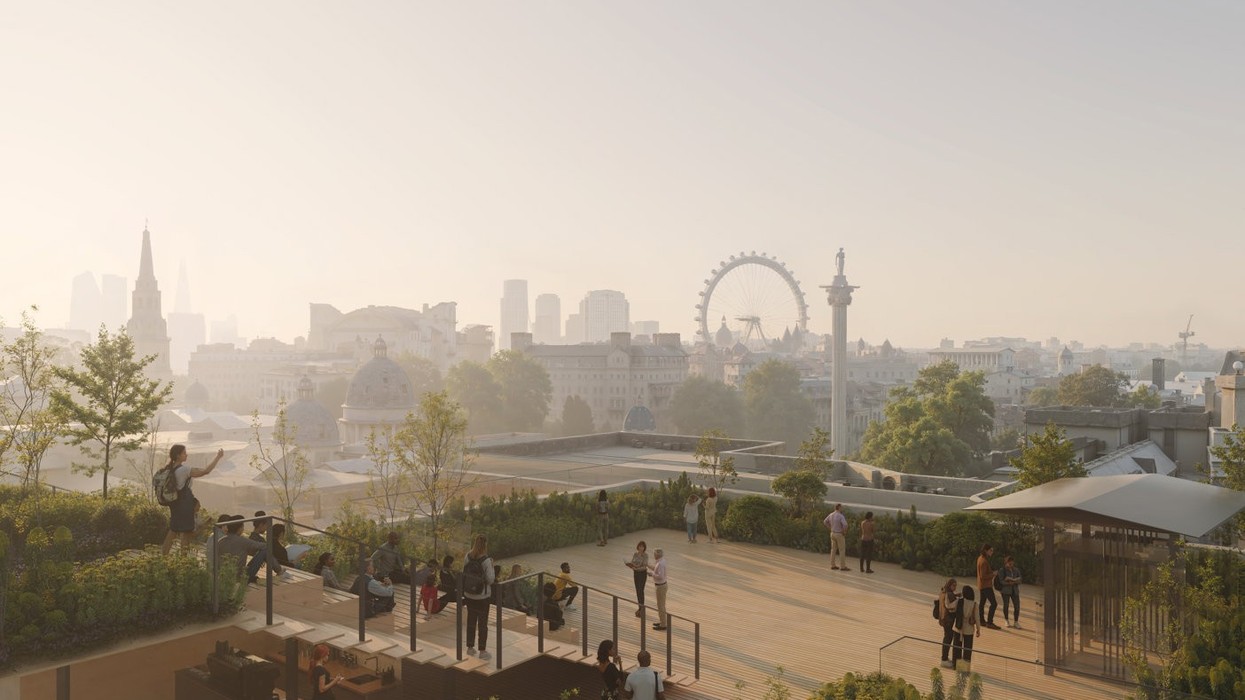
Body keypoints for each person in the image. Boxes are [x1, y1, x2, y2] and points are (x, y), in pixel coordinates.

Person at [160, 445, 224, 554]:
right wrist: (218, 457)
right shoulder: (184, 470)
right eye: (184, 453)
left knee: (173, 530)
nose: (187, 454)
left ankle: (163, 557)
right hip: (184, 504)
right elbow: (205, 471)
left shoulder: (168, 468)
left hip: (174, 503)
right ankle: (184, 562)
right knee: (186, 533)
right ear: (178, 455)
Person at [216, 515, 286, 584]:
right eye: (242, 527)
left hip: (223, 576)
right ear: (239, 528)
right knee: (264, 551)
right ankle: (279, 570)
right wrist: (260, 556)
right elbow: (265, 546)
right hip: (240, 578)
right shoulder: (242, 541)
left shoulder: (220, 541)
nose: (243, 529)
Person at [462, 534, 496, 660]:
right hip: (482, 597)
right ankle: (482, 651)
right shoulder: (487, 560)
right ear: (485, 545)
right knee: (482, 623)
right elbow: (490, 580)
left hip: (469, 594)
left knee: (471, 621)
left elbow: (464, 572)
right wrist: (492, 566)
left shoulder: (468, 556)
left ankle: (470, 648)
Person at [951, 585, 981, 672]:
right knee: (967, 649)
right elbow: (977, 617)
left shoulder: (959, 601)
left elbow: (950, 607)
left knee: (957, 647)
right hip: (969, 629)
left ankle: (955, 666)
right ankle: (964, 668)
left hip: (958, 627)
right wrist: (978, 630)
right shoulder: (974, 604)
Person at [976, 544, 1000, 629]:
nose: (992, 552)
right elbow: (983, 576)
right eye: (991, 550)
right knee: (994, 604)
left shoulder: (980, 558)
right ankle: (989, 622)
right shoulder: (983, 561)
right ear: (986, 550)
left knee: (982, 603)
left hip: (982, 585)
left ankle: (981, 621)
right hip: (986, 586)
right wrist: (993, 574)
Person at [938, 578, 959, 669]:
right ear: (949, 585)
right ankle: (944, 659)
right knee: (948, 638)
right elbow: (949, 606)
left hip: (943, 618)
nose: (955, 587)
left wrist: (955, 595)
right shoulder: (948, 594)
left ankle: (945, 658)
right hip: (948, 620)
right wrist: (958, 600)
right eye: (953, 585)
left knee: (947, 637)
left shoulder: (943, 592)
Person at [624, 541, 649, 618]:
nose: (641, 548)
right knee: (637, 591)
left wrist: (637, 568)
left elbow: (645, 566)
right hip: (636, 574)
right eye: (640, 546)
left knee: (641, 590)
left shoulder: (645, 555)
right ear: (638, 547)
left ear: (644, 548)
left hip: (642, 574)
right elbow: (632, 562)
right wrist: (631, 565)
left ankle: (642, 609)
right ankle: (640, 608)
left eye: (642, 547)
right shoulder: (635, 554)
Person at [1000, 555, 1022, 629]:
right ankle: (1006, 620)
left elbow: (1020, 580)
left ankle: (1016, 622)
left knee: (1017, 606)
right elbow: (1001, 581)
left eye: (1012, 563)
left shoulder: (1016, 570)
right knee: (1006, 605)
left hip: (1015, 590)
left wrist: (1015, 581)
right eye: (1009, 564)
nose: (1011, 565)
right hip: (1005, 591)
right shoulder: (1002, 570)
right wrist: (1008, 583)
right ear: (1006, 563)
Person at [823, 503, 848, 571]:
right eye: (841, 507)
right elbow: (845, 525)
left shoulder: (831, 514)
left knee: (833, 549)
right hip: (839, 534)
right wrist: (843, 531)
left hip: (832, 533)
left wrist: (830, 527)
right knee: (842, 550)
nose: (842, 508)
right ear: (839, 508)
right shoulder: (840, 516)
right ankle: (842, 566)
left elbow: (825, 521)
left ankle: (833, 565)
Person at [649, 548, 668, 631]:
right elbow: (657, 570)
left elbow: (660, 576)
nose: (654, 555)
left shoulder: (660, 563)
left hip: (660, 586)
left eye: (654, 554)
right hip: (662, 585)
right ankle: (662, 621)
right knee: (661, 605)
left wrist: (651, 574)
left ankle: (663, 624)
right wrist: (648, 565)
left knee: (661, 606)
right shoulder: (662, 561)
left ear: (657, 555)